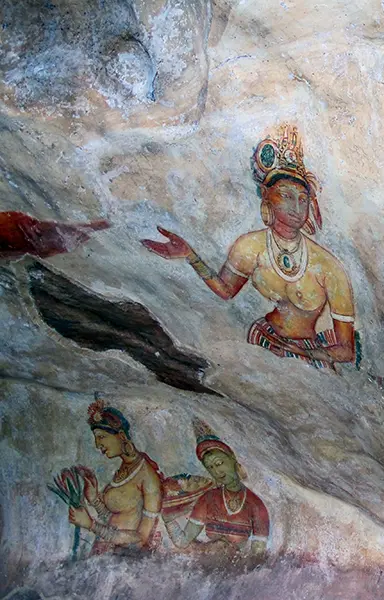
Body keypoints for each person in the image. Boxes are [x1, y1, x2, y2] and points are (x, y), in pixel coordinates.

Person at [141, 124, 356, 369]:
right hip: (262, 339)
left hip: (307, 351)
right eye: (286, 195)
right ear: (267, 196)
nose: (297, 207)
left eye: (303, 199)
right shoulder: (250, 246)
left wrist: (310, 353)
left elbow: (346, 350)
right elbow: (225, 290)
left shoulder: (327, 266)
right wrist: (191, 256)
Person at [163, 418, 269, 557]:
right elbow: (182, 542)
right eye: (210, 467)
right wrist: (168, 519)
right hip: (207, 567)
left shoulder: (255, 505)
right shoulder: (207, 499)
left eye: (219, 463)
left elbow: (258, 557)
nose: (216, 472)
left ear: (232, 459)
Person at [68, 399, 163, 555]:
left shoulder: (148, 477)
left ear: (120, 435)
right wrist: (93, 499)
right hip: (106, 554)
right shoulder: (123, 469)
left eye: (101, 437)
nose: (97, 445)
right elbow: (114, 519)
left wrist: (91, 525)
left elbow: (141, 539)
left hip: (125, 561)